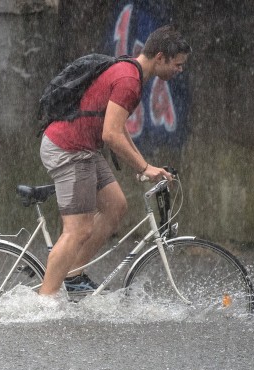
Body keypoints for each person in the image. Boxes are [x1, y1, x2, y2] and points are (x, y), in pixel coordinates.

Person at [39, 25, 191, 297]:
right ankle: (45, 301)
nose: (180, 70)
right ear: (160, 57)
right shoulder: (129, 80)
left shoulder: (132, 73)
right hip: (69, 149)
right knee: (78, 229)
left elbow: (118, 130)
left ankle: (73, 276)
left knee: (115, 206)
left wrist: (143, 165)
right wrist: (144, 167)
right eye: (177, 64)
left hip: (83, 149)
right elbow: (111, 134)